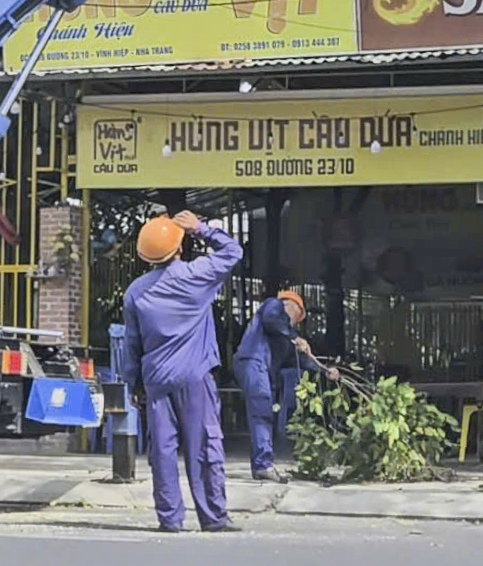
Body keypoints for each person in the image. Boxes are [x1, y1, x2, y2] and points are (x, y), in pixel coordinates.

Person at [121, 210, 243, 533]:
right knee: (202, 446)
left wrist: (133, 383)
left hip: (156, 381)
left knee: (162, 450)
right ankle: (213, 516)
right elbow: (233, 252)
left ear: (146, 255)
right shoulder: (196, 275)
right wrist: (200, 228)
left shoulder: (135, 292)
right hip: (195, 376)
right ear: (178, 247)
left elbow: (132, 343)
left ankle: (170, 518)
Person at [233, 289, 337, 483]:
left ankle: (261, 464)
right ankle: (263, 465)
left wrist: (325, 371)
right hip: (253, 361)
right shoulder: (274, 305)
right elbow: (271, 319)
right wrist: (294, 336)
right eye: (298, 317)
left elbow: (300, 360)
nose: (297, 322)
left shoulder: (286, 338)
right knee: (261, 410)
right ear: (292, 306)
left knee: (264, 412)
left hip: (263, 369)